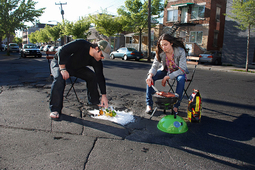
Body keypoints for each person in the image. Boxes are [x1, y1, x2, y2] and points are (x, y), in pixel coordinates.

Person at [49, 39, 111, 119]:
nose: (102, 58)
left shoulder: (97, 61)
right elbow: (62, 51)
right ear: (96, 48)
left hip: (76, 68)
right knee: (59, 78)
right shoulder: (81, 44)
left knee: (92, 76)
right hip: (59, 63)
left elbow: (100, 77)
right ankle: (55, 109)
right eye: (102, 55)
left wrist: (104, 95)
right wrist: (62, 68)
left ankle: (93, 103)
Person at [145, 33, 189, 114]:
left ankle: (176, 106)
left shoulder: (180, 51)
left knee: (181, 79)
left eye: (166, 44)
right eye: (162, 45)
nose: (164, 47)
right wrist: (150, 75)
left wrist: (167, 77)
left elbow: (182, 69)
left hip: (178, 72)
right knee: (150, 78)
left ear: (171, 43)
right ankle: (149, 105)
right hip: (166, 70)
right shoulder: (160, 52)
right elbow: (154, 66)